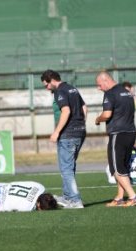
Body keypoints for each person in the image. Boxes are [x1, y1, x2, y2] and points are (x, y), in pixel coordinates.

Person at [94, 71, 136, 207]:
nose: (98, 88)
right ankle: (120, 197)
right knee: (123, 166)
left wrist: (98, 119)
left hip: (118, 134)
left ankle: (133, 196)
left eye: (99, 85)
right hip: (131, 132)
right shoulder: (126, 92)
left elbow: (107, 114)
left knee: (116, 169)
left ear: (105, 81)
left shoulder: (110, 93)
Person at [40, 69, 87, 209]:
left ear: (52, 80)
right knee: (69, 166)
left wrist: (56, 132)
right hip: (79, 132)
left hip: (68, 134)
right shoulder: (72, 88)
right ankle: (67, 196)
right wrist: (81, 124)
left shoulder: (59, 91)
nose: (47, 88)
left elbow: (66, 111)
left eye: (46, 85)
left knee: (66, 169)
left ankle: (74, 200)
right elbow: (84, 107)